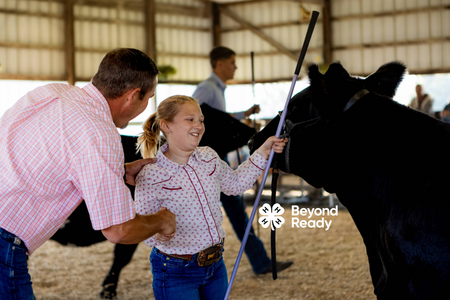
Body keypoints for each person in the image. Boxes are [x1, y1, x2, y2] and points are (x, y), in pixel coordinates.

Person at [0, 48, 176, 299]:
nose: (146, 105)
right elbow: (118, 230)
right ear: (132, 96)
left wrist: (118, 171)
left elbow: (46, 154)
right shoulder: (100, 132)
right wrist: (163, 220)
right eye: (148, 97)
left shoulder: (52, 92)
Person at [134, 95, 287, 300]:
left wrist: (263, 151)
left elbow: (235, 184)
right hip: (174, 270)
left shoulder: (209, 157)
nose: (199, 125)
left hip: (215, 265)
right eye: (190, 119)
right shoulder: (151, 175)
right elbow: (142, 226)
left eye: (201, 120)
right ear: (166, 126)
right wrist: (159, 231)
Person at [192, 46, 293, 275]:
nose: (235, 67)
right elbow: (195, 116)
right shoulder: (207, 89)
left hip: (216, 162)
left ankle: (260, 261)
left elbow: (218, 118)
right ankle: (259, 262)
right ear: (219, 64)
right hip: (209, 164)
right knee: (233, 214)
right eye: (231, 62)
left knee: (237, 213)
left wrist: (243, 115)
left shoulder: (216, 89)